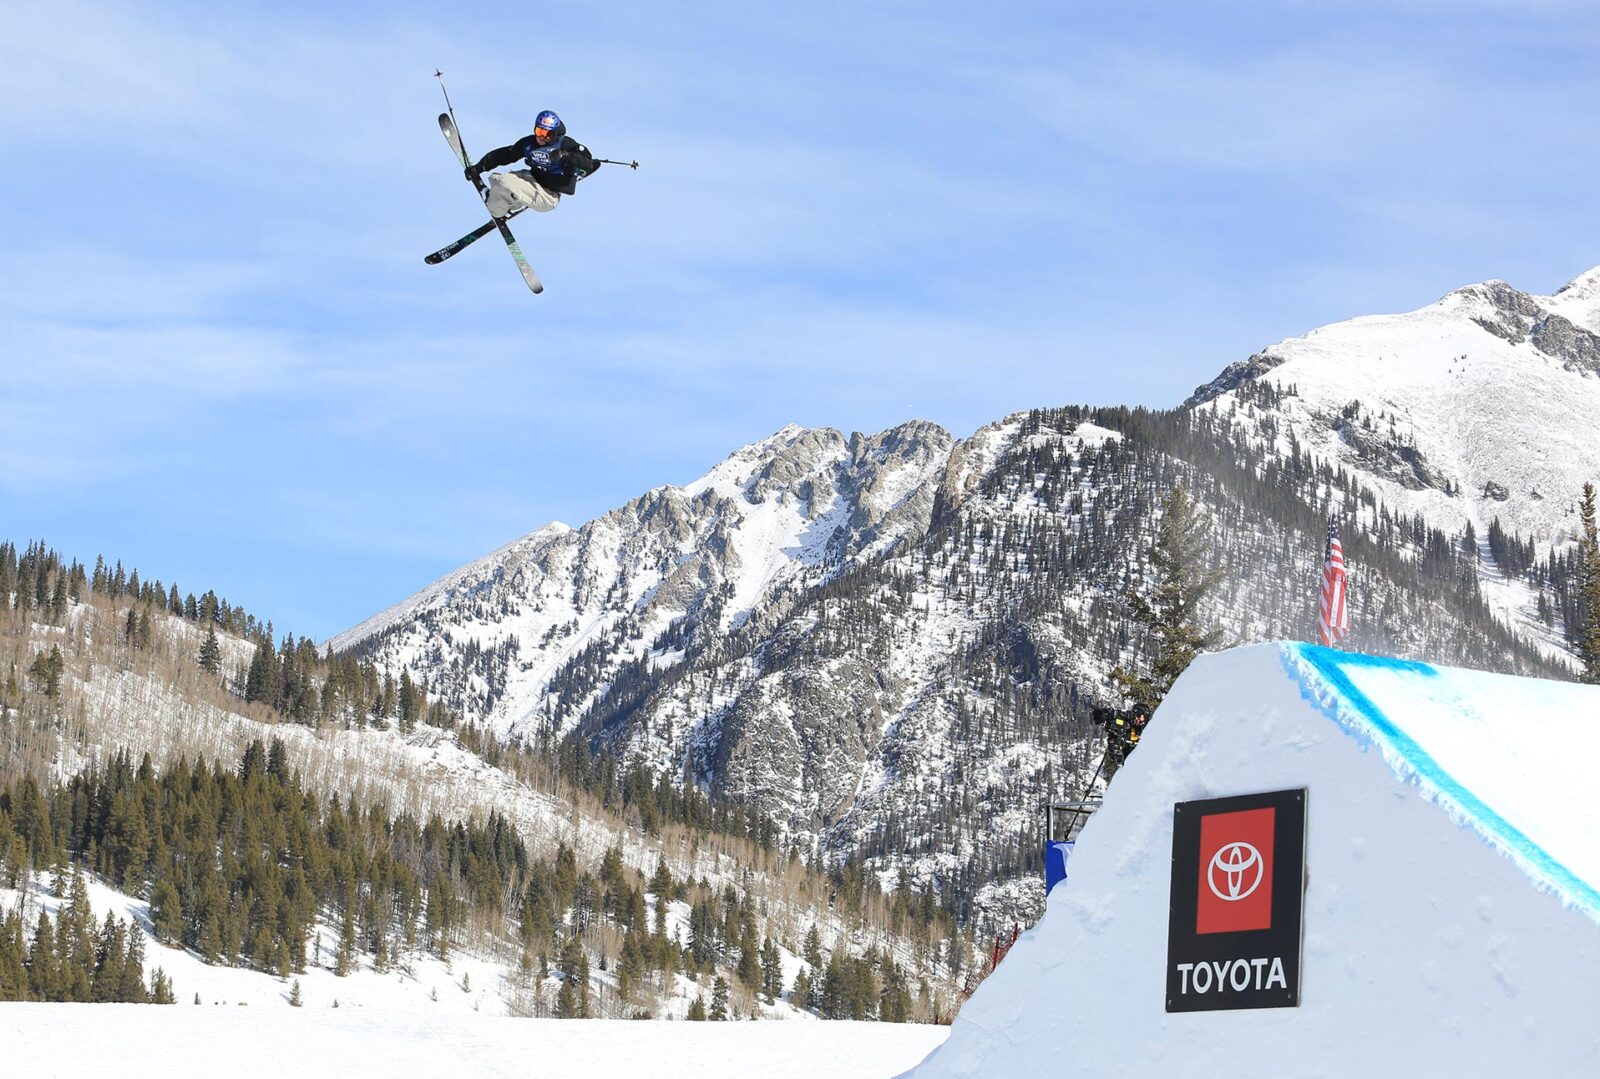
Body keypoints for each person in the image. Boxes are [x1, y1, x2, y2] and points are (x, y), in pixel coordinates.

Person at [465, 110, 600, 220]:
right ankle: (505, 204)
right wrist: (480, 167)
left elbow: (587, 162)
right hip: (532, 179)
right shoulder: (529, 144)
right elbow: (505, 155)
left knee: (504, 184)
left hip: (548, 195)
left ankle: (505, 205)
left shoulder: (565, 144)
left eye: (546, 134)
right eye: (538, 131)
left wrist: (566, 156)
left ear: (554, 134)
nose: (541, 137)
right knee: (497, 180)